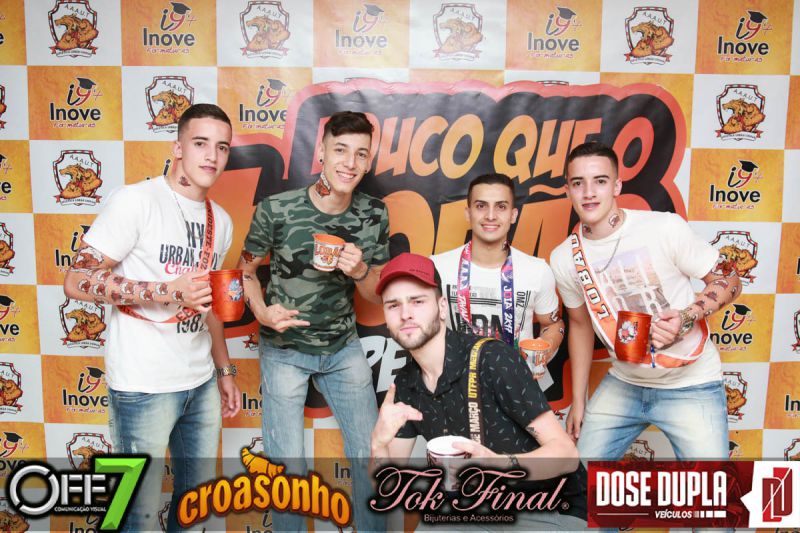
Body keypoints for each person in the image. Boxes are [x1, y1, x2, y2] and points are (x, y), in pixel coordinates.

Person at [63, 103, 241, 531]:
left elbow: (209, 306)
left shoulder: (222, 221)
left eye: (221, 147)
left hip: (200, 383)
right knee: (135, 515)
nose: (211, 156)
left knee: (194, 508)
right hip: (142, 386)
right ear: (178, 147)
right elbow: (77, 280)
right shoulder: (136, 201)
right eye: (200, 143)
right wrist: (166, 291)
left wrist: (224, 371)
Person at [238, 111, 388, 532]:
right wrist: (262, 312)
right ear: (321, 152)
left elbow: (375, 294)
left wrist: (361, 270)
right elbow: (245, 271)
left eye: (361, 154)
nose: (350, 163)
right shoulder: (277, 209)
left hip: (342, 347)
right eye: (340, 150)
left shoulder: (374, 213)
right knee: (286, 470)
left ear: (368, 161)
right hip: (284, 349)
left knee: (371, 455)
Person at [549, 141, 741, 462]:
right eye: (578, 183)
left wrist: (687, 316)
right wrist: (579, 401)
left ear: (616, 186)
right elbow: (580, 326)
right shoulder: (564, 258)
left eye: (600, 181)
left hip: (691, 383)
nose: (589, 192)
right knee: (580, 479)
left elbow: (730, 279)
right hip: (625, 382)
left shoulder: (663, 227)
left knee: (708, 489)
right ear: (568, 190)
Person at [371, 253, 587, 530]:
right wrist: (378, 444)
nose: (405, 314)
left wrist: (497, 464)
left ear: (441, 307)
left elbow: (566, 455)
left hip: (549, 507)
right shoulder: (405, 384)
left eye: (417, 301)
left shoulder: (492, 358)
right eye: (393, 305)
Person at [431, 173, 564, 364]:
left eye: (501, 206)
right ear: (468, 213)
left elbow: (552, 324)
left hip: (516, 377)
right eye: (481, 206)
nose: (491, 216)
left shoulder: (538, 270)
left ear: (513, 215)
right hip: (456, 378)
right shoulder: (437, 267)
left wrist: (545, 348)